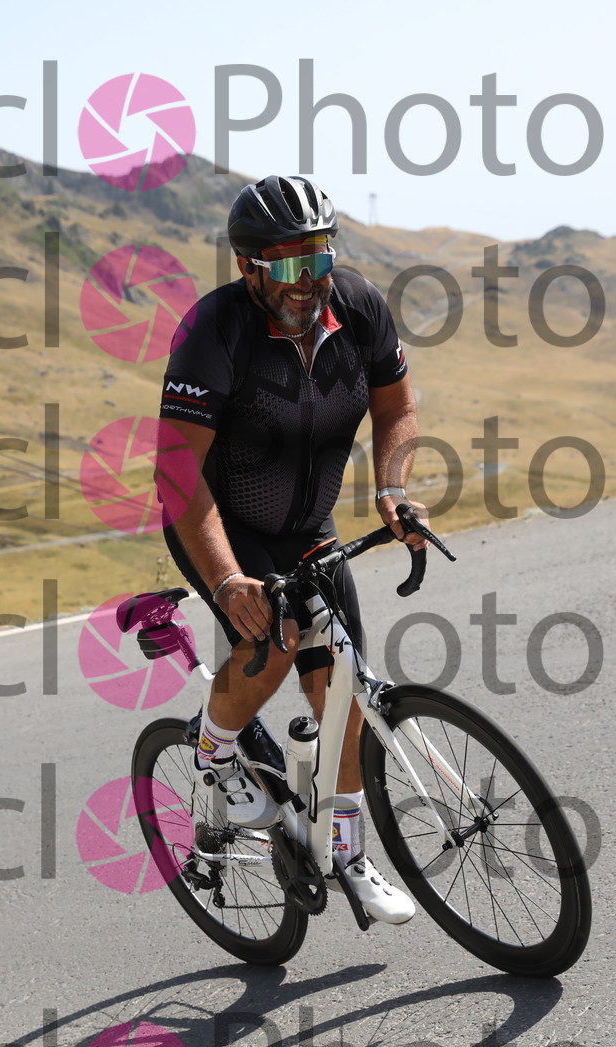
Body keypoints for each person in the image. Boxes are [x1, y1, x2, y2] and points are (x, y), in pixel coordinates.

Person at [158, 175, 428, 925]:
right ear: (248, 268)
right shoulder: (214, 330)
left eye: (318, 259)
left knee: (343, 686)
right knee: (272, 638)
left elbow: (398, 405)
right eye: (286, 265)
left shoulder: (360, 307)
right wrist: (227, 580)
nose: (306, 281)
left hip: (308, 524)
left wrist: (392, 488)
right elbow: (176, 472)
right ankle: (215, 747)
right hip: (220, 523)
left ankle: (347, 852)